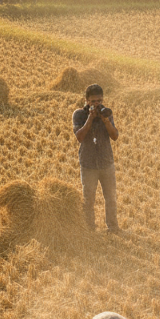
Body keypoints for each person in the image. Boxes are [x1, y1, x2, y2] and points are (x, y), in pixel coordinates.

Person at [72, 83, 120, 233]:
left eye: (99, 101)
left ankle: (113, 227)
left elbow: (115, 136)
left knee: (111, 197)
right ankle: (89, 228)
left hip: (106, 162)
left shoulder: (107, 113)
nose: (96, 104)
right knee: (88, 199)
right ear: (86, 101)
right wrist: (90, 119)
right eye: (93, 101)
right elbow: (79, 137)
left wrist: (105, 120)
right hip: (88, 163)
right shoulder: (79, 114)